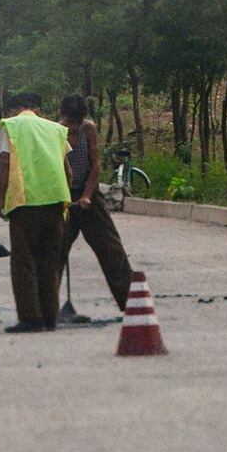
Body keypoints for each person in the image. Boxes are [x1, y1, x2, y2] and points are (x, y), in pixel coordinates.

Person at [0, 92, 72, 332]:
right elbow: (68, 170)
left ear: (15, 109)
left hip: (24, 203)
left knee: (24, 262)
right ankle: (50, 317)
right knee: (49, 262)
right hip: (54, 204)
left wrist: (1, 199)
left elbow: (5, 164)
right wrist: (64, 198)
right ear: (36, 109)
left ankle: (31, 318)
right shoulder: (56, 129)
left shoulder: (10, 126)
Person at [58, 94, 134, 310]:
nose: (73, 128)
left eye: (77, 123)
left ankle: (130, 303)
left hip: (87, 193)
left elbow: (96, 164)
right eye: (70, 123)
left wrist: (87, 195)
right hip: (64, 196)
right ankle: (45, 308)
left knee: (111, 248)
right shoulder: (54, 131)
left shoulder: (88, 129)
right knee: (54, 252)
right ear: (62, 115)